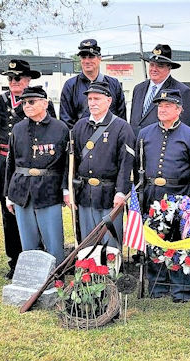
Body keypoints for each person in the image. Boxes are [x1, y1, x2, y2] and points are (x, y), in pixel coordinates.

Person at [0, 59, 56, 279]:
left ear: (27, 79)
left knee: (36, 211)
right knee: (9, 213)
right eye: (10, 78)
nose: (13, 82)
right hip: (6, 162)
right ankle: (15, 261)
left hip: (33, 165)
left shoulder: (43, 102)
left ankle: (41, 257)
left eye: (17, 78)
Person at [138, 89, 190, 302]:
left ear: (178, 109)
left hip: (179, 196)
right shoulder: (145, 134)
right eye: (160, 105)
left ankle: (181, 290)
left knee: (177, 243)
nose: (163, 109)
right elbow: (136, 167)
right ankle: (157, 287)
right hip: (151, 194)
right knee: (153, 242)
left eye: (167, 105)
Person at [4, 86, 69, 265]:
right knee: (28, 241)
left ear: (45, 103)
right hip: (21, 191)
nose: (27, 106)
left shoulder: (60, 128)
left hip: (48, 190)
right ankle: (32, 278)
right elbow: (11, 163)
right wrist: (9, 194)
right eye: (24, 102)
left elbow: (66, 163)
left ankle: (56, 277)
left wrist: (65, 189)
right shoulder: (18, 128)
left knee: (53, 241)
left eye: (31, 102)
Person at [72, 82, 135, 248]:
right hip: (85, 193)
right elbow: (73, 161)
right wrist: (71, 191)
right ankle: (88, 272)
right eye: (90, 99)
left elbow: (126, 163)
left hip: (110, 193)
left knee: (111, 241)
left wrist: (121, 192)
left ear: (109, 100)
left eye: (97, 98)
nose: (92, 102)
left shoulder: (122, 127)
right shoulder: (80, 126)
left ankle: (111, 272)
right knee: (88, 240)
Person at [60, 39, 127, 129]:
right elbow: (66, 120)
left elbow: (121, 118)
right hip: (81, 139)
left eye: (91, 57)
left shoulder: (114, 84)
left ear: (99, 59)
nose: (87, 61)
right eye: (84, 57)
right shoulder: (70, 85)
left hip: (110, 139)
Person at [130, 44, 190, 136]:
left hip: (162, 146)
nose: (154, 69)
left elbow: (185, 127)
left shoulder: (182, 91)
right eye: (151, 65)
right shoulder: (138, 89)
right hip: (137, 144)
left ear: (169, 68)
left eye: (160, 66)